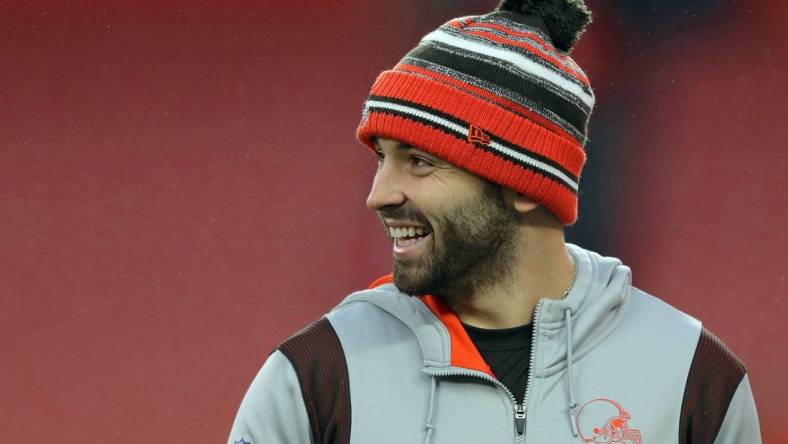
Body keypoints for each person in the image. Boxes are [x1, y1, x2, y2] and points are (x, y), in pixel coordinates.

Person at [228, 1, 761, 443]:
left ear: (523, 187)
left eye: (419, 161)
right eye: (381, 159)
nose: (379, 196)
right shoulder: (317, 374)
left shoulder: (695, 376)